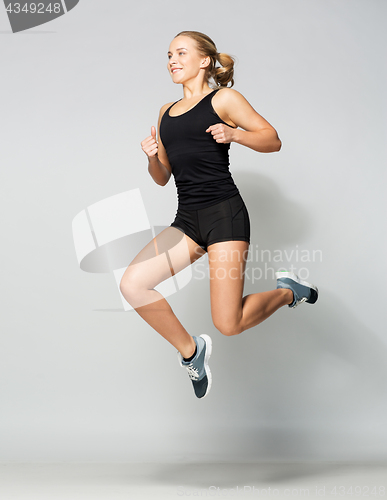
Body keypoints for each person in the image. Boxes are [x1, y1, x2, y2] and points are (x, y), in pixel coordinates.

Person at [120, 31, 318, 399]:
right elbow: (163, 177)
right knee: (132, 284)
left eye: (181, 53)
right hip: (188, 219)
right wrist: (151, 157)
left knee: (229, 323)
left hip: (224, 214)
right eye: (168, 55)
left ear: (204, 61)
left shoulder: (223, 98)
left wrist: (235, 135)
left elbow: (272, 139)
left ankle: (288, 293)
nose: (172, 60)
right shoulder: (165, 112)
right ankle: (192, 352)